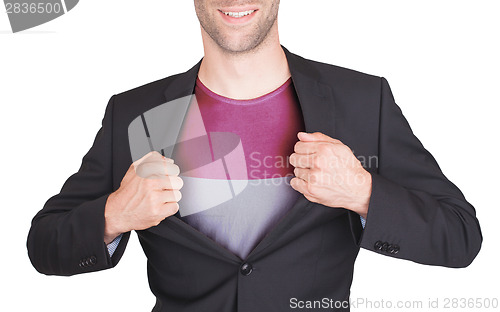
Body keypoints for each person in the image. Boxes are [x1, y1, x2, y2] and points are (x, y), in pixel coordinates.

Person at [27, 1, 482, 311]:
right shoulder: (136, 113)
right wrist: (114, 214)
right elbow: (44, 245)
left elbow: (460, 236)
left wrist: (363, 192)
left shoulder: (362, 101)